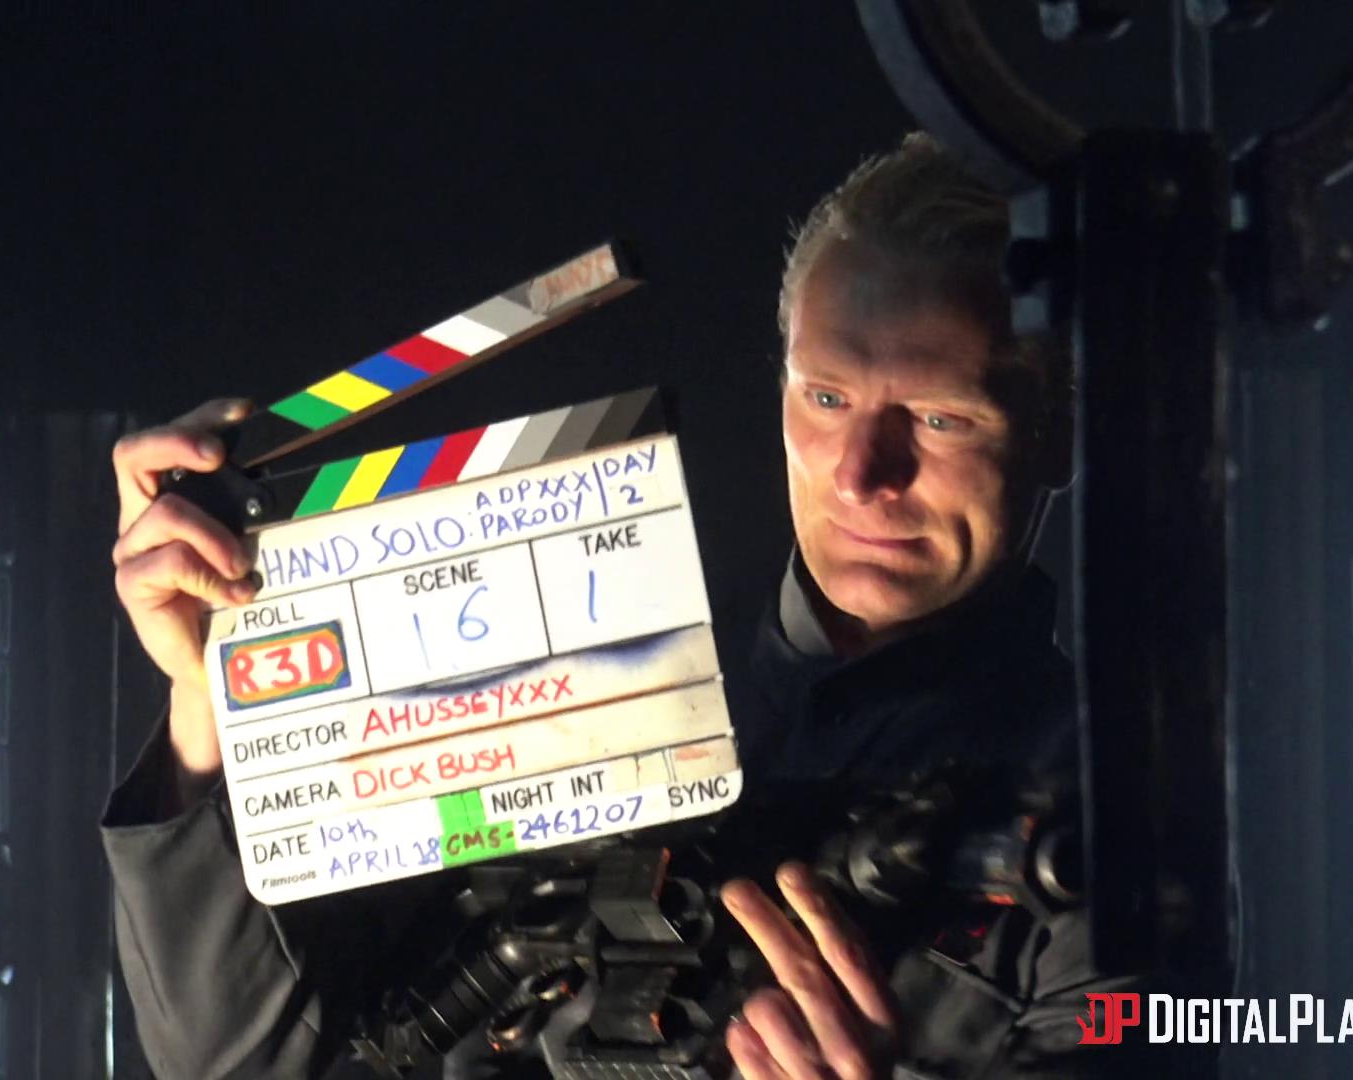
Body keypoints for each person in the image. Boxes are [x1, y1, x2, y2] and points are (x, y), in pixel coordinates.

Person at [103, 133, 1177, 1079]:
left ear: (1057, 433)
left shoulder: (1123, 834)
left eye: (941, 419)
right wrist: (211, 700)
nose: (861, 474)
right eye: (827, 397)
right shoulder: (556, 680)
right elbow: (237, 1064)